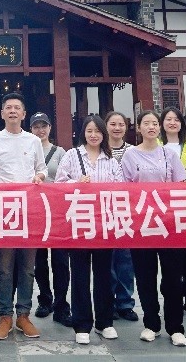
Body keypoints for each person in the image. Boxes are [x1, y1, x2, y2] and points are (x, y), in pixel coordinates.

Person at [122, 110, 186, 347]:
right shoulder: (130, 155)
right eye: (146, 123)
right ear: (139, 128)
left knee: (173, 277)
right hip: (141, 224)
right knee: (145, 276)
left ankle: (175, 327)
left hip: (168, 224)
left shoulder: (169, 154)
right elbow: (124, 188)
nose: (151, 127)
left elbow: (182, 184)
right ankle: (151, 324)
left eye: (154, 123)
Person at [0, 92, 47, 340]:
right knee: (5, 268)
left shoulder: (33, 141)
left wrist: (38, 177)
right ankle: (5, 315)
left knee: (28, 267)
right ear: (2, 113)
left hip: (29, 211)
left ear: (23, 113)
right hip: (5, 212)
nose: (12, 111)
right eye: (8, 107)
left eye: (16, 108)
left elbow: (41, 170)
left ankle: (23, 315)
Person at [54, 115, 120, 345]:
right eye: (89, 131)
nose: (94, 135)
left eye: (98, 131)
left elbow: (121, 188)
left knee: (104, 275)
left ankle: (104, 322)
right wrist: (76, 184)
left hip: (103, 225)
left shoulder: (111, 159)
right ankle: (82, 324)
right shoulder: (72, 155)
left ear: (104, 134)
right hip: (79, 224)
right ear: (83, 133)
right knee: (80, 274)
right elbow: (58, 185)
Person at [159, 107, 186, 317]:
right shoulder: (155, 146)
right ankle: (171, 297)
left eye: (176, 119)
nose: (172, 123)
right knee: (169, 258)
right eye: (168, 119)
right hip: (162, 209)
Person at [30, 112, 72, 326]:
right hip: (36, 212)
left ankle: (62, 304)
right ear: (31, 129)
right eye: (36, 127)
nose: (41, 130)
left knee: (60, 261)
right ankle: (45, 299)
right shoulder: (28, 150)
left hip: (57, 212)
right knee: (39, 261)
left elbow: (68, 178)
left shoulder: (60, 152)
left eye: (43, 126)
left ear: (50, 128)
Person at [105, 110, 138, 322]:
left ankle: (125, 302)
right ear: (105, 126)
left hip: (127, 211)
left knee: (126, 260)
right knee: (107, 259)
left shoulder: (133, 151)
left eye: (121, 124)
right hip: (104, 211)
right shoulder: (99, 149)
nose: (117, 128)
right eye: (113, 124)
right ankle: (108, 302)